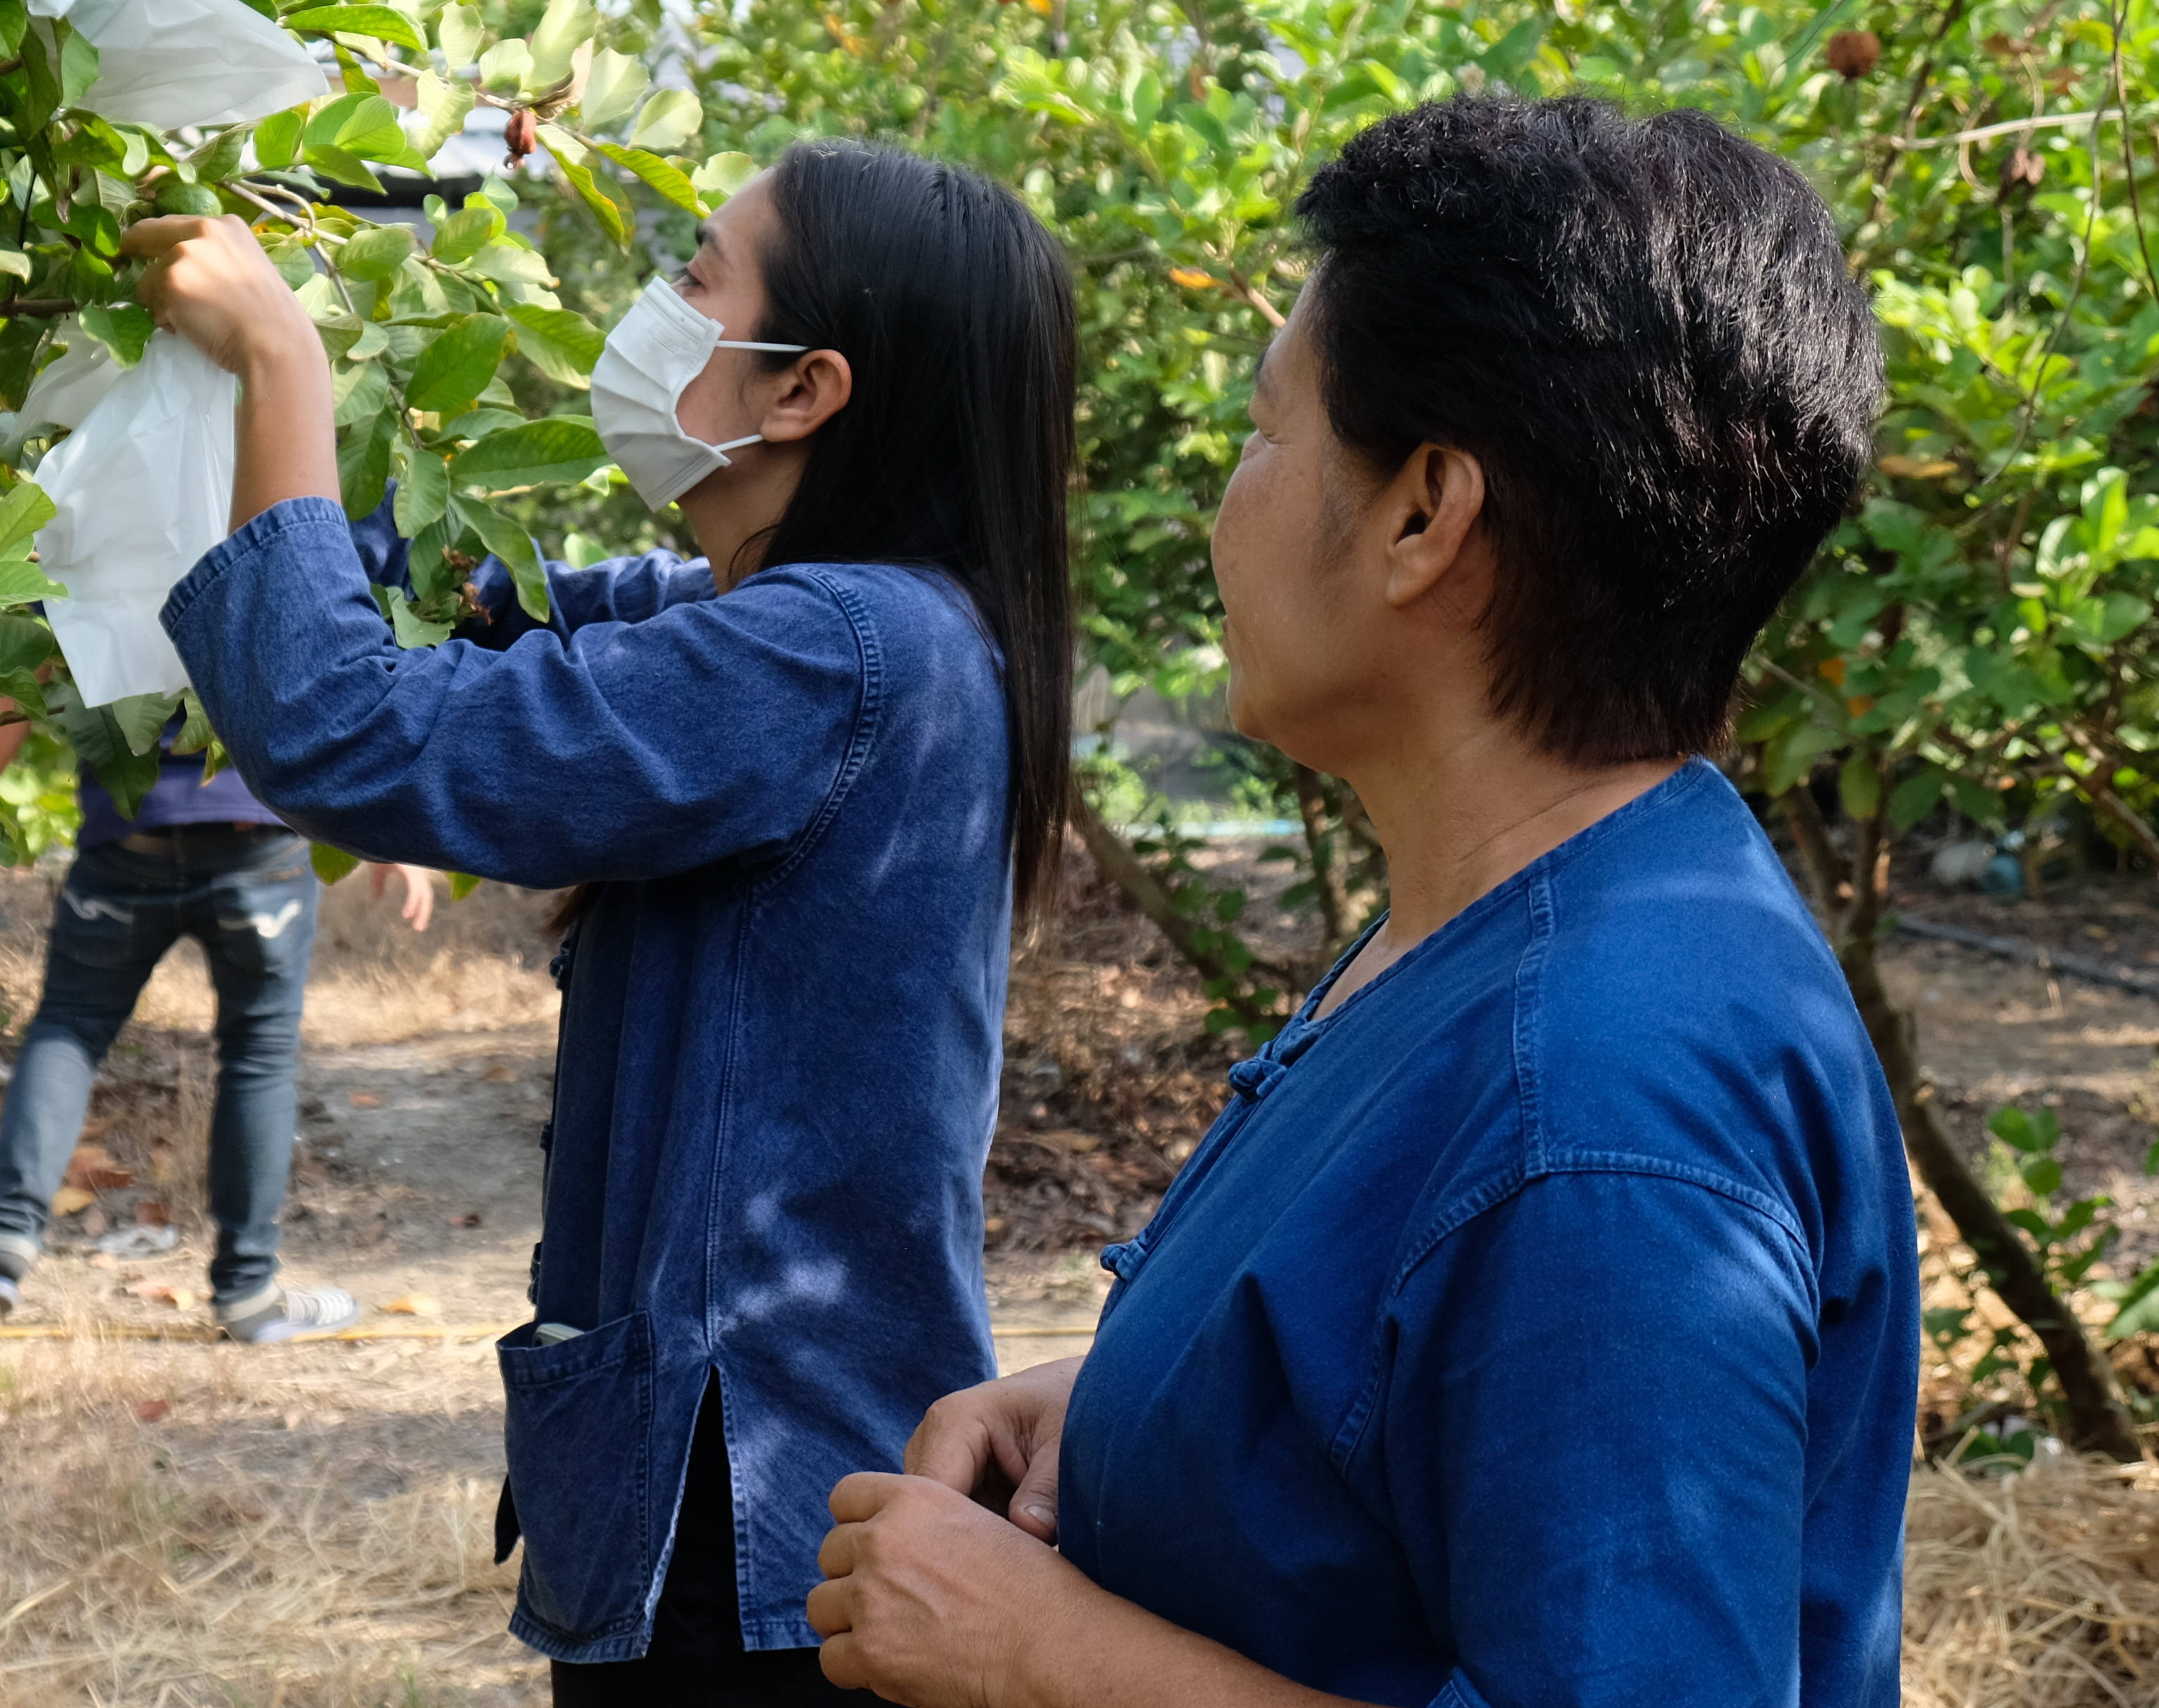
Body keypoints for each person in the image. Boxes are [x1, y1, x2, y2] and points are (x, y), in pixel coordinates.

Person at [804, 97, 1915, 1707]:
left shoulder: (1599, 1104)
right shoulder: (1532, 902)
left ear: (1420, 514)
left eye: (1264, 432)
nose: (1223, 508)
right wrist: (1147, 1418)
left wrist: (1037, 1650)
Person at [123, 139, 1081, 1701]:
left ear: (802, 392)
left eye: (699, 275)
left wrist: (283, 357)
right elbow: (461, 598)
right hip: (766, 1474)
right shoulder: (791, 618)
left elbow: (344, 729)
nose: (656, 306)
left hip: (749, 1496)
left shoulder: (834, 650)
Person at [0, 533, 452, 1346]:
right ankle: (249, 1294)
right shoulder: (275, 517)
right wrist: (389, 833)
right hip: (260, 845)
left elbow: (30, 673)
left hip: (129, 841)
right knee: (257, 1053)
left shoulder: (102, 519)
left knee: (70, 1030)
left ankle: (1, 1250)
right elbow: (345, 673)